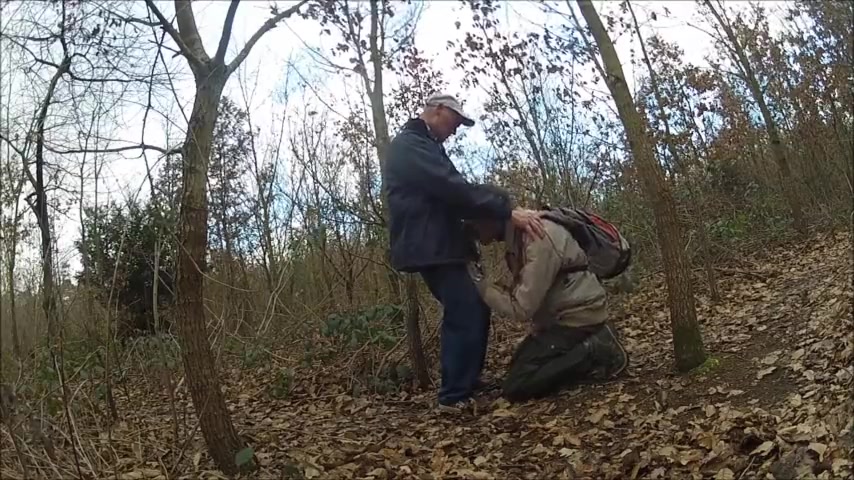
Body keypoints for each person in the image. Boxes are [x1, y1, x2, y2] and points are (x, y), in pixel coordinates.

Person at [382, 93, 545, 412]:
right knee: (464, 309)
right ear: (438, 110)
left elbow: (454, 193)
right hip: (431, 246)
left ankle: (467, 381)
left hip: (444, 243)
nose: (455, 129)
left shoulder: (427, 146)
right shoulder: (409, 145)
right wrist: (505, 211)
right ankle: (453, 396)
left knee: (475, 307)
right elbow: (452, 188)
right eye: (454, 121)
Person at [464, 187, 629, 403]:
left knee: (517, 385)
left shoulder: (537, 236)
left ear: (492, 218)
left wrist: (481, 285)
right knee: (519, 366)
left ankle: (597, 348)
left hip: (577, 317)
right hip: (561, 316)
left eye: (474, 222)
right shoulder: (518, 238)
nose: (472, 229)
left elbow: (521, 308)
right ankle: (587, 349)